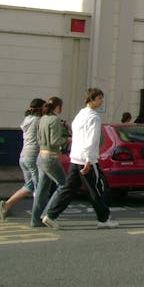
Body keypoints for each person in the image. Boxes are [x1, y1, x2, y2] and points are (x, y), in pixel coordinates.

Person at [41, 88, 118, 229]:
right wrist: (89, 160)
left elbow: (76, 135)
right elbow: (91, 139)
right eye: (100, 98)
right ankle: (103, 219)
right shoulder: (94, 117)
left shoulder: (80, 114)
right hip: (86, 159)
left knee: (69, 189)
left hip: (75, 157)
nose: (101, 101)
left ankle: (50, 215)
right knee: (95, 189)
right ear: (92, 99)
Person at [0, 98, 44, 219]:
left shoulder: (27, 119)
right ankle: (38, 215)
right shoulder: (39, 121)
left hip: (23, 156)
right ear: (40, 109)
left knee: (29, 186)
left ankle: (7, 205)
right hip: (33, 156)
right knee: (39, 187)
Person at [30, 97, 69, 227]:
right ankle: (48, 214)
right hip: (51, 157)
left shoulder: (42, 119)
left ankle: (35, 219)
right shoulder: (55, 119)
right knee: (63, 185)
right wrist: (68, 140)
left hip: (41, 155)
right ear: (58, 107)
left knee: (42, 189)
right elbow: (55, 141)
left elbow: (38, 137)